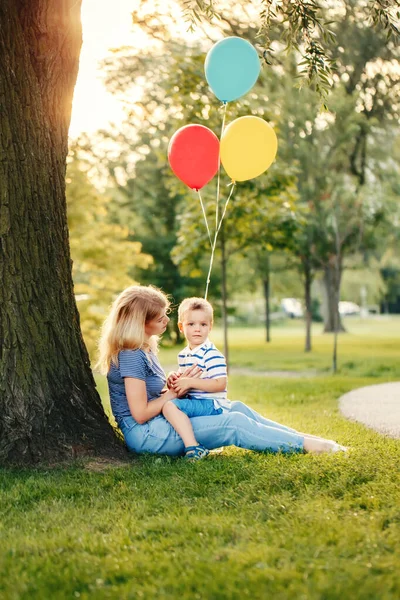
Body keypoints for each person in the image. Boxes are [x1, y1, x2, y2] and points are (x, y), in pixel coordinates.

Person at [97, 285, 347, 458]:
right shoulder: (130, 354)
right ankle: (310, 446)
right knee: (233, 424)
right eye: (160, 318)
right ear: (141, 322)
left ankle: (304, 439)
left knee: (236, 408)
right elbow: (140, 413)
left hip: (160, 421)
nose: (166, 321)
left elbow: (151, 395)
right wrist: (171, 395)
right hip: (147, 434)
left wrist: (174, 383)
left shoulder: (143, 348)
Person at [162, 297, 230, 460]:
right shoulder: (184, 354)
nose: (197, 329)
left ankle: (193, 447)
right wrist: (174, 377)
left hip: (212, 405)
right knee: (164, 400)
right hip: (197, 402)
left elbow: (220, 384)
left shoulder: (212, 354)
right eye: (191, 324)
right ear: (181, 327)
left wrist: (190, 382)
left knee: (170, 407)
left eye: (203, 324)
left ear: (210, 327)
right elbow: (184, 379)